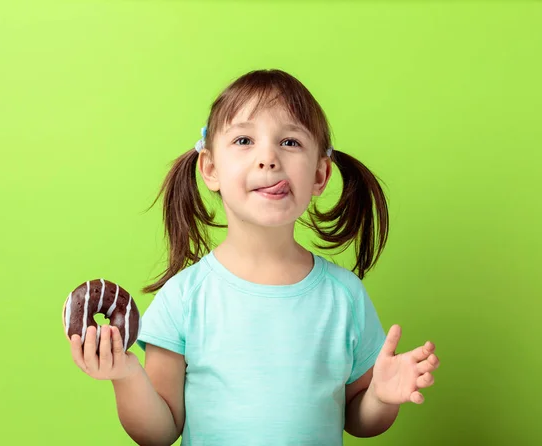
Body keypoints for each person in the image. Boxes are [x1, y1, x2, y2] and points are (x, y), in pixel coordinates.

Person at [69, 69, 440, 446]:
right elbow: (159, 433)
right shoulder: (183, 297)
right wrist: (126, 374)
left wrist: (381, 396)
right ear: (211, 169)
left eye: (291, 142)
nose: (269, 158)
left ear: (320, 175)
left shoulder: (345, 296)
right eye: (245, 140)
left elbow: (360, 420)